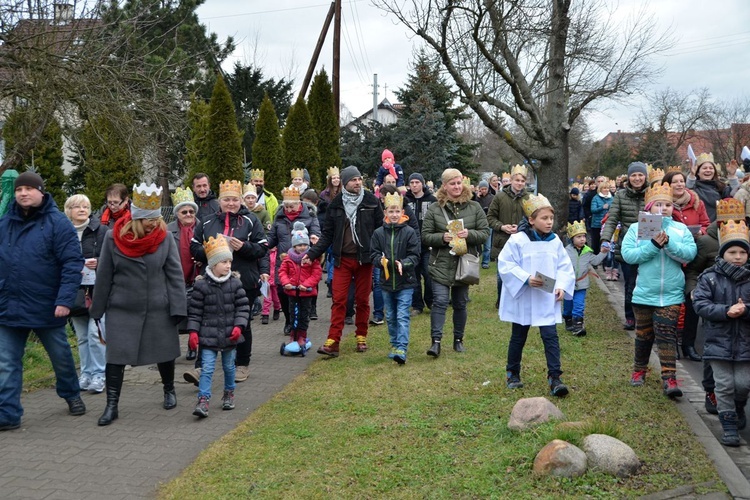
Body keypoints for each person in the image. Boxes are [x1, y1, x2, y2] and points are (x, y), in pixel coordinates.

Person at [90, 183, 187, 426]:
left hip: (158, 307)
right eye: (148, 220)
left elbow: (174, 275)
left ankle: (169, 389)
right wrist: (97, 310)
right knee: (115, 357)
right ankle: (111, 405)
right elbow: (104, 276)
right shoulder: (113, 238)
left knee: (164, 353)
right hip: (122, 308)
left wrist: (178, 308)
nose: (154, 224)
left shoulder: (164, 238)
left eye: (156, 219)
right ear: (136, 218)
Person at [0, 172, 86, 430]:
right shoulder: (5, 224)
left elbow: (72, 264)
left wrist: (64, 300)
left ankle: (71, 393)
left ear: (41, 191)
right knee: (6, 363)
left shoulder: (58, 223)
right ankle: (8, 414)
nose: (23, 193)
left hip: (47, 306)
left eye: (28, 188)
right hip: (8, 307)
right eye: (18, 190)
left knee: (60, 357)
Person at [621, 182, 696, 398]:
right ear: (649, 207)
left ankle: (669, 378)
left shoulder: (680, 229)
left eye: (668, 205)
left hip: (671, 293)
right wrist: (653, 245)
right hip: (645, 292)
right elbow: (629, 256)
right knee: (644, 335)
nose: (663, 209)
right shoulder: (637, 228)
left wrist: (669, 244)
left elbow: (688, 255)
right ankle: (639, 370)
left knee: (667, 335)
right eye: (658, 205)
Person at [190, 180, 268, 383]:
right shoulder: (207, 221)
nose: (231, 204)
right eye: (226, 200)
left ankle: (242, 364)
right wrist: (210, 251)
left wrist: (243, 246)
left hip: (243, 281)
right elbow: (194, 246)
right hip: (212, 281)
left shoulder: (251, 220)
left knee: (242, 322)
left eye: (234, 200)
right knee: (208, 321)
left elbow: (262, 247)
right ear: (220, 201)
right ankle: (200, 367)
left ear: (240, 200)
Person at [498, 193, 575, 397]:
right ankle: (512, 372)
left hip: (545, 297)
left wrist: (561, 285)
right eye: (544, 218)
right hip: (524, 296)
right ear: (531, 220)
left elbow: (564, 266)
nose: (549, 222)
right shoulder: (518, 240)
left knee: (550, 336)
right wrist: (524, 278)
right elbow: (505, 263)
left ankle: (555, 377)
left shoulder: (555, 241)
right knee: (518, 336)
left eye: (551, 218)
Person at [304, 165, 383, 357]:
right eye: (353, 180)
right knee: (338, 300)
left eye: (359, 179)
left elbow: (381, 230)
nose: (357, 182)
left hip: (365, 260)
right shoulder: (336, 204)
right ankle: (333, 341)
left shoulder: (371, 201)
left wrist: (382, 253)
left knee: (363, 300)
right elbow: (327, 235)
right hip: (342, 260)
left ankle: (361, 337)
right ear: (345, 182)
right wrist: (312, 253)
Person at [692, 220, 750, 446]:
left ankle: (738, 408)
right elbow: (701, 305)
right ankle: (729, 427)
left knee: (744, 383)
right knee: (724, 385)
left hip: (745, 341)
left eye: (742, 252)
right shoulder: (710, 277)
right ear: (723, 253)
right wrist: (726, 311)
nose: (737, 256)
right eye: (732, 252)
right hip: (718, 341)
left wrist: (745, 310)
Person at [421, 168, 490, 357]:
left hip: (463, 264)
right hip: (440, 264)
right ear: (444, 186)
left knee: (460, 303)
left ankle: (458, 340)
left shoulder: (474, 207)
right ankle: (436, 342)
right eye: (452, 183)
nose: (457, 186)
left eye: (459, 182)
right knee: (440, 301)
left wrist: (470, 234)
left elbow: (485, 233)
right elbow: (425, 236)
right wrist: (441, 238)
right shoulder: (435, 208)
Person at [187, 236, 250, 418]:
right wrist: (193, 331)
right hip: (208, 336)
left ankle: (229, 393)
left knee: (229, 367)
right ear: (213, 264)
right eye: (224, 262)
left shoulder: (236, 283)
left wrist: (239, 326)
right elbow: (195, 312)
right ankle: (203, 399)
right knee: (207, 368)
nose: (228, 265)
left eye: (230, 261)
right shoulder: (201, 286)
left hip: (230, 335)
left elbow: (243, 307)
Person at [64, 194, 109, 394]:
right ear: (69, 211)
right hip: (74, 292)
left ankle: (100, 374)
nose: (82, 210)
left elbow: (112, 256)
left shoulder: (102, 231)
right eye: (77, 207)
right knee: (82, 336)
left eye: (85, 206)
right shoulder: (63, 233)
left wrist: (98, 260)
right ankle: (86, 373)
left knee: (95, 333)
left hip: (97, 290)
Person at [370, 192, 420, 364]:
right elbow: (374, 254)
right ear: (385, 213)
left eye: (397, 211)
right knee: (390, 316)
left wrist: (403, 263)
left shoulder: (409, 232)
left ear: (402, 212)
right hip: (386, 283)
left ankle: (402, 348)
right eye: (391, 211)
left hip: (405, 282)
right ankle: (394, 344)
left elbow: (415, 255)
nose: (394, 215)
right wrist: (380, 261)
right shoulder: (378, 233)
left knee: (402, 315)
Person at [600, 162, 648, 330]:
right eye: (633, 175)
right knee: (630, 282)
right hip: (628, 244)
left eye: (640, 175)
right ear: (629, 177)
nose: (637, 178)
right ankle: (630, 316)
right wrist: (606, 239)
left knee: (647, 282)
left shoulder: (651, 193)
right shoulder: (620, 195)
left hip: (650, 244)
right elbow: (612, 218)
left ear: (645, 176)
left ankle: (646, 318)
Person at [267, 187, 321, 334]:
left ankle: (302, 324)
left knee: (302, 296)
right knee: (282, 291)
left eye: (292, 206)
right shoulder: (279, 217)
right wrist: (265, 243)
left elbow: (316, 232)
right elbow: (272, 238)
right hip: (284, 260)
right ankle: (289, 320)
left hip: (304, 262)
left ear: (299, 203)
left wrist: (315, 239)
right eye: (286, 206)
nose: (289, 209)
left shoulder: (310, 216)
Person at [487, 164, 529, 308]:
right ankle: (501, 300)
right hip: (502, 241)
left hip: (522, 241)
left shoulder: (529, 198)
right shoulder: (499, 197)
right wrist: (502, 226)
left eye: (522, 181)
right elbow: (490, 217)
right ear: (511, 180)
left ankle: (516, 300)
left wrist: (521, 227)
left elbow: (533, 219)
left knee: (520, 273)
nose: (519, 183)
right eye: (517, 180)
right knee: (501, 275)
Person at [278, 222, 322, 356]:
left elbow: (316, 274)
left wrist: (307, 285)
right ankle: (293, 336)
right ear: (293, 245)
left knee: (304, 315)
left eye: (304, 245)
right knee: (293, 314)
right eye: (299, 245)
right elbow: (282, 272)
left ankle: (302, 336)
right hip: (292, 292)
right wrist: (286, 283)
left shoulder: (312, 258)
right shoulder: (288, 259)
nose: (302, 247)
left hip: (306, 293)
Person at [167, 187, 201, 361]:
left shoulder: (203, 227)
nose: (188, 214)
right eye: (184, 211)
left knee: (196, 314)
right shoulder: (168, 230)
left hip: (198, 277)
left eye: (191, 211)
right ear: (177, 213)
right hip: (176, 279)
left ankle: (193, 346)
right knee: (176, 315)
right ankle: (171, 349)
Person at [563, 220, 607, 336]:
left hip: (581, 283)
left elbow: (596, 261)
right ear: (572, 239)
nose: (582, 239)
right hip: (568, 284)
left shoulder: (588, 252)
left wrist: (603, 253)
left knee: (579, 304)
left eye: (583, 236)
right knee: (568, 305)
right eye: (578, 237)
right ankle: (568, 319)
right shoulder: (565, 252)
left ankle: (578, 326)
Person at [404, 172, 437, 315]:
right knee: (413, 275)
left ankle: (430, 301)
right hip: (410, 245)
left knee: (429, 274)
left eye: (417, 182)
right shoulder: (405, 201)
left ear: (422, 183)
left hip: (427, 244)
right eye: (412, 183)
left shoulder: (432, 200)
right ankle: (417, 305)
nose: (414, 185)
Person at [686, 153, 739, 221]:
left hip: (719, 226)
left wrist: (732, 176)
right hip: (702, 226)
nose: (708, 170)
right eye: (704, 168)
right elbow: (688, 189)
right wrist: (692, 174)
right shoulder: (695, 188)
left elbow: (735, 195)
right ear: (698, 172)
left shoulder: (721, 187)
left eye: (711, 168)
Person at [661, 169, 710, 235]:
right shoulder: (660, 205)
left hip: (696, 240)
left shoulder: (697, 203)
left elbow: (706, 225)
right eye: (675, 182)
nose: (679, 184)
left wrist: (700, 232)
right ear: (666, 185)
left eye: (682, 181)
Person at [475, 180, 495, 268]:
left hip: (488, 223)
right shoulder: (476, 198)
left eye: (485, 189)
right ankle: (475, 260)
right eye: (482, 189)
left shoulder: (492, 198)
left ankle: (485, 262)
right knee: (477, 244)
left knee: (487, 245)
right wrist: (477, 198)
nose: (483, 191)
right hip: (478, 223)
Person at [589, 179, 612, 253]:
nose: (606, 190)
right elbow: (593, 210)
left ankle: (605, 261)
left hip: (607, 225)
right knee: (596, 244)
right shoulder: (596, 198)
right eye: (604, 188)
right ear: (600, 189)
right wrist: (602, 207)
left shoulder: (612, 198)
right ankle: (595, 260)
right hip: (597, 224)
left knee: (605, 244)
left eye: (607, 188)